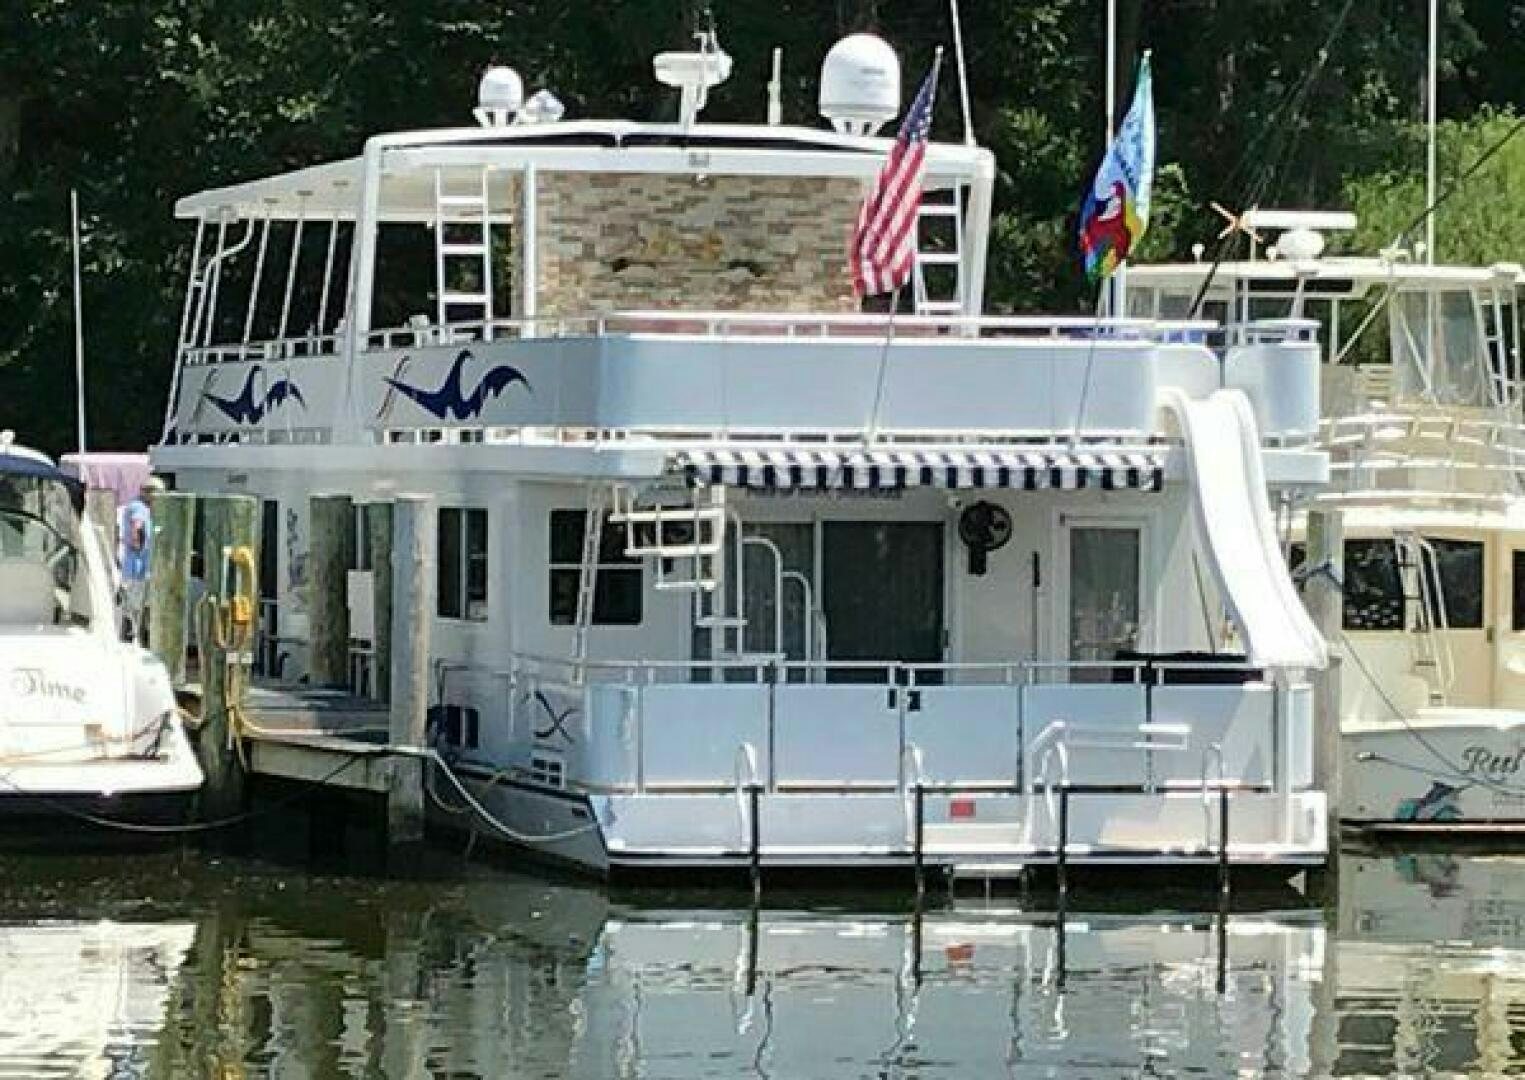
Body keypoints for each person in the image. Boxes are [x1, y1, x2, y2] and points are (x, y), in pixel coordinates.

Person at [118, 476, 165, 642]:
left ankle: (134, 636)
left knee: (135, 604)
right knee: (134, 605)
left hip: (139, 564)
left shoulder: (140, 507)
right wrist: (138, 543)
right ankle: (131, 637)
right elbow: (136, 526)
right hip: (136, 565)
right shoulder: (139, 507)